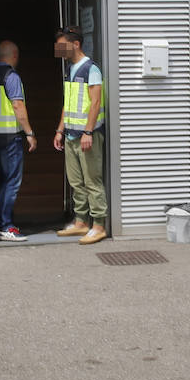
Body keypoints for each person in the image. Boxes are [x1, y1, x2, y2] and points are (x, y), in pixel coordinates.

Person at [52, 26, 108, 245]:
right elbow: (69, 104)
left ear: (75, 44)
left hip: (87, 135)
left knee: (93, 181)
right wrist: (60, 130)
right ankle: (81, 222)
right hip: (71, 135)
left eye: (62, 45)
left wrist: (88, 131)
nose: (59, 50)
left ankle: (99, 226)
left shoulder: (91, 69)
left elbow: (95, 102)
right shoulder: (70, 68)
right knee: (76, 182)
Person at [0, 40, 37, 242]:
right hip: (9, 137)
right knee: (12, 181)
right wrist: (29, 133)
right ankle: (6, 225)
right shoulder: (11, 76)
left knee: (2, 181)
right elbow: (17, 106)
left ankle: (1, 222)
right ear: (14, 55)